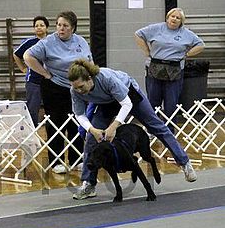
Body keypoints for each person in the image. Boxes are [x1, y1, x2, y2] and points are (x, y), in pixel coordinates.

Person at [68, 58, 198, 200]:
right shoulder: (75, 90)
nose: (79, 91)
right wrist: (93, 130)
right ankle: (88, 184)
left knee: (157, 127)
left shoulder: (106, 78)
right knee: (91, 139)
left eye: (81, 86)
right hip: (105, 103)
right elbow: (80, 114)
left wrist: (113, 126)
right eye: (76, 88)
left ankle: (185, 163)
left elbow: (126, 104)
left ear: (89, 79)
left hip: (128, 95)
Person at [24, 11, 93, 174]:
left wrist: (90, 80)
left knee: (76, 122)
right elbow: (28, 56)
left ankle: (78, 159)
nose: (61, 29)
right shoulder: (48, 42)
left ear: (73, 28)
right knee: (55, 124)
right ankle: (56, 161)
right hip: (54, 87)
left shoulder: (81, 41)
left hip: (77, 88)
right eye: (59, 25)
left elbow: (89, 61)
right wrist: (45, 73)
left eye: (65, 26)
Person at [134, 8, 204, 132]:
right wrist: (147, 52)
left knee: (171, 103)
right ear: (167, 17)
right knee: (153, 101)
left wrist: (187, 54)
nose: (174, 19)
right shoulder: (156, 28)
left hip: (175, 70)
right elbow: (138, 34)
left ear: (181, 22)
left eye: (178, 18)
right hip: (154, 68)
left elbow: (201, 45)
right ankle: (152, 130)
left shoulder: (186, 33)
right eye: (172, 16)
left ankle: (170, 131)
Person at [13, 16, 49, 127]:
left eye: (41, 25)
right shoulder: (29, 42)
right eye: (36, 26)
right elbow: (16, 54)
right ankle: (32, 136)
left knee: (51, 110)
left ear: (47, 27)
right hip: (33, 82)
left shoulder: (52, 41)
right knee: (32, 109)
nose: (39, 28)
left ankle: (52, 137)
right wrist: (23, 68)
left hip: (50, 80)